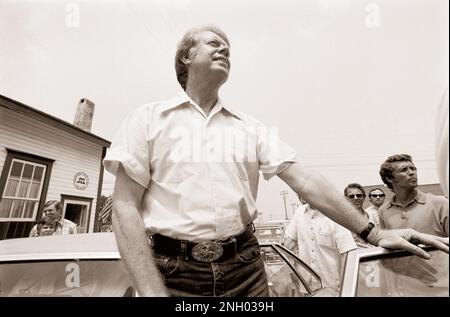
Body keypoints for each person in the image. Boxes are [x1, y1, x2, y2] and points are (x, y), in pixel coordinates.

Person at [103, 25, 449, 297]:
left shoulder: (249, 127)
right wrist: (150, 290)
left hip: (245, 271)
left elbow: (306, 182)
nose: (224, 48)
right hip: (172, 273)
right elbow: (124, 208)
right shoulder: (147, 119)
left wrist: (373, 234)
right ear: (185, 58)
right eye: (213, 43)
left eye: (228, 47)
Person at [283, 203, 357, 296]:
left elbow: (347, 255)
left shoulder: (335, 214)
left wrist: (345, 290)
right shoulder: (299, 212)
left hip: (332, 289)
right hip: (307, 288)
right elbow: (288, 245)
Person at [378, 154, 448, 237]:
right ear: (389, 178)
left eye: (413, 169)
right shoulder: (383, 211)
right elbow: (388, 242)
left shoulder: (440, 204)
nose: (411, 173)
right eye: (404, 170)